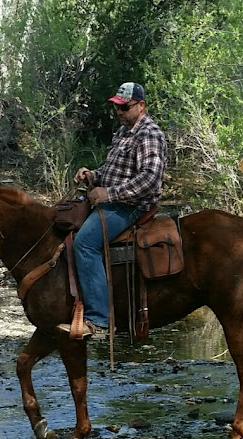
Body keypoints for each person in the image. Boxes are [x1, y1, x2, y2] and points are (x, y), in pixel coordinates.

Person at [57, 82, 167, 339]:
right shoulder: (122, 133)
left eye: (124, 107)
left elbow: (150, 179)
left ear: (141, 106)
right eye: (117, 107)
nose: (119, 112)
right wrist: (93, 175)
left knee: (84, 243)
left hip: (134, 206)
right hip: (116, 200)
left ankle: (99, 320)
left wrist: (109, 194)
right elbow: (112, 172)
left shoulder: (149, 134)